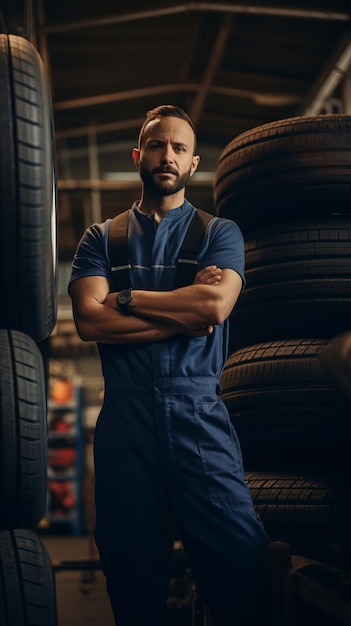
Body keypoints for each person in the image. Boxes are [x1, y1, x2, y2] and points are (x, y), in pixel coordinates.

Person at [68, 104, 271, 626]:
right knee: (131, 569)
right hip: (125, 421)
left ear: (194, 162)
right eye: (157, 145)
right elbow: (90, 322)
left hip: (197, 414)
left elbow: (214, 308)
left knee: (240, 554)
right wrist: (181, 315)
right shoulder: (101, 238)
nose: (167, 156)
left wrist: (127, 298)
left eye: (179, 148)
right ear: (139, 155)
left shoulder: (217, 233)